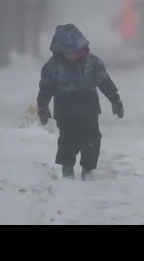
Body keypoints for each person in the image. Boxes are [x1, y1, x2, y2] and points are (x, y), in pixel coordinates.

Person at [36, 23, 124, 181]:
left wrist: (114, 99)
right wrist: (43, 105)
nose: (73, 55)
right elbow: (45, 88)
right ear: (60, 51)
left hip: (89, 109)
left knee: (92, 139)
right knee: (67, 141)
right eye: (68, 52)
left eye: (75, 51)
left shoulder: (92, 63)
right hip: (65, 111)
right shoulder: (52, 68)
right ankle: (67, 168)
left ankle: (87, 169)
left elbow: (104, 81)